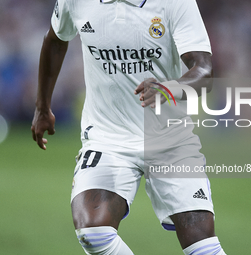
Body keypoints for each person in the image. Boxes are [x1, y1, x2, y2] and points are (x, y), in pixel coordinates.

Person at [31, 0, 227, 254]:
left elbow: (204, 70)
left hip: (171, 140)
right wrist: (42, 106)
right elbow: (55, 39)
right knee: (94, 233)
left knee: (201, 246)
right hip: (107, 138)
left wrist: (169, 88)